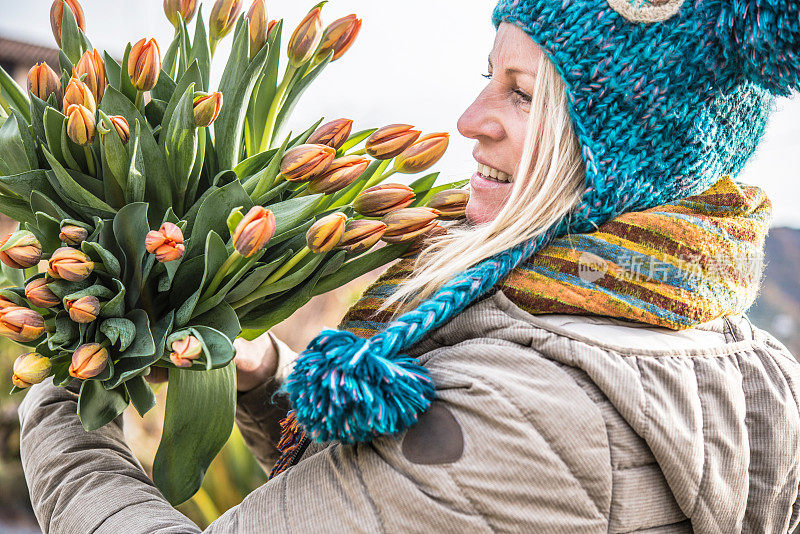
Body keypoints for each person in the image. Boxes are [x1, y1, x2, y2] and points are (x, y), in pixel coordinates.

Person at [18, 0, 800, 532]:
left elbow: (472, 448)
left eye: (522, 95)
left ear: (618, 159)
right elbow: (408, 487)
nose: (470, 121)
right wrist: (262, 376)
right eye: (487, 78)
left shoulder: (530, 418)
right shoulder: (737, 356)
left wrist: (59, 393)